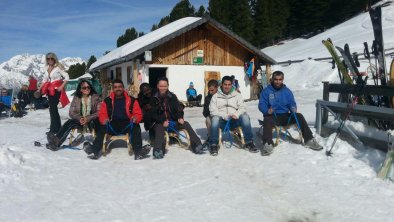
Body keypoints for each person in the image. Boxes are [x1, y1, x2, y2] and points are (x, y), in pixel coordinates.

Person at [258, 70, 323, 155]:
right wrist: (267, 110)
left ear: (283, 79)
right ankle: (268, 144)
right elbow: (261, 104)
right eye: (276, 79)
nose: (278, 81)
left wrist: (293, 107)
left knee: (299, 116)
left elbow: (291, 102)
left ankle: (309, 140)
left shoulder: (287, 91)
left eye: (280, 79)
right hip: (272, 116)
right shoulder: (266, 91)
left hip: (285, 116)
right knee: (267, 119)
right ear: (272, 79)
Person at [84, 79, 150, 160]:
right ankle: (94, 150)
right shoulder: (107, 101)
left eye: (120, 87)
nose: (118, 89)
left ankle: (138, 151)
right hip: (112, 124)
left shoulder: (132, 100)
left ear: (123, 88)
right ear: (113, 89)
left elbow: (138, 113)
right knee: (102, 129)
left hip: (127, 123)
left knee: (136, 127)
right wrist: (104, 119)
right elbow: (102, 113)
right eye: (115, 87)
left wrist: (135, 118)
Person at [150, 77, 204, 159]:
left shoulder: (172, 96)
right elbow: (153, 114)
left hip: (173, 122)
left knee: (186, 124)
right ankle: (158, 150)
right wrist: (162, 121)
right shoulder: (153, 98)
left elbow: (178, 109)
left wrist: (180, 117)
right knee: (158, 127)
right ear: (157, 86)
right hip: (161, 123)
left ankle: (197, 145)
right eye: (161, 86)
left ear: (168, 86)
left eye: (165, 86)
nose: (163, 88)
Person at [209, 76, 258, 156]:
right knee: (214, 119)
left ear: (232, 85)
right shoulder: (215, 96)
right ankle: (213, 144)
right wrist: (224, 115)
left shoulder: (237, 95)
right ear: (222, 84)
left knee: (245, 116)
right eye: (225, 84)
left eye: (229, 84)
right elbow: (212, 110)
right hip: (222, 121)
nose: (227, 86)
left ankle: (249, 142)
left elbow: (243, 107)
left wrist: (236, 114)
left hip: (235, 120)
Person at [46, 80, 101, 151]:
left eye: (88, 87)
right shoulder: (76, 98)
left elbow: (99, 112)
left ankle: (97, 144)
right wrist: (80, 118)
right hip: (80, 121)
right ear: (80, 89)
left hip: (92, 121)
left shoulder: (96, 97)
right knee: (70, 122)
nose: (87, 89)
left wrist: (87, 118)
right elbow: (71, 112)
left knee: (95, 121)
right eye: (84, 88)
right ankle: (56, 142)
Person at [38, 52, 70, 135]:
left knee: (52, 108)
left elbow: (67, 76)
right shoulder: (46, 68)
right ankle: (56, 128)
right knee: (52, 109)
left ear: (54, 59)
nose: (50, 60)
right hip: (49, 90)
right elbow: (45, 80)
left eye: (52, 58)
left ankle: (54, 129)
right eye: (48, 58)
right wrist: (39, 89)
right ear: (47, 60)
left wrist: (62, 86)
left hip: (56, 90)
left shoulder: (58, 67)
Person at [202, 79, 219, 148]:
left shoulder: (221, 96)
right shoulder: (207, 98)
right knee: (208, 119)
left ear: (217, 88)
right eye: (209, 90)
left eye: (212, 90)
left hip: (221, 116)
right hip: (212, 115)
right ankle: (210, 136)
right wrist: (209, 108)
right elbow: (204, 113)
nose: (210, 92)